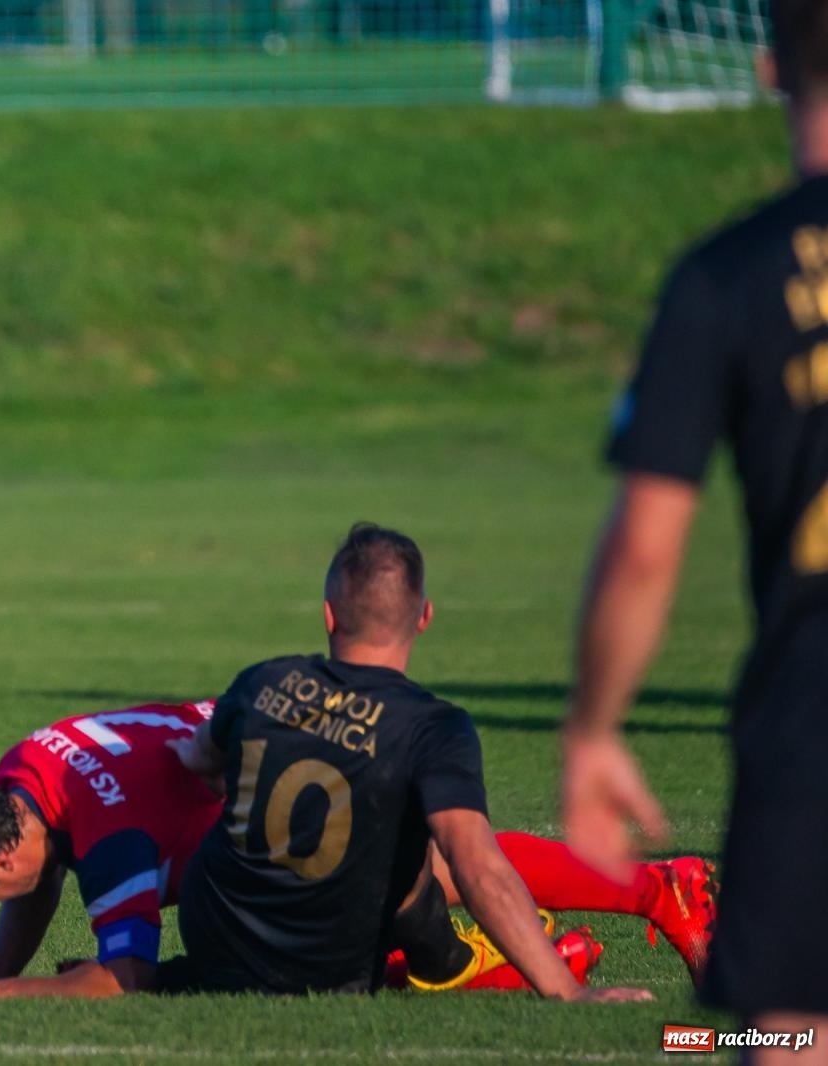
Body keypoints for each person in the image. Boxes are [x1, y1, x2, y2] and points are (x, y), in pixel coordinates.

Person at [0, 531, 705, 999]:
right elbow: (37, 882)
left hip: (267, 780)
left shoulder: (113, 843)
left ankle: (626, 906)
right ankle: (599, 920)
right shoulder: (23, 774)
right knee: (419, 870)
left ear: (1, 857)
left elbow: (126, 977)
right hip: (250, 738)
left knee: (425, 873)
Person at [561, 2, 828, 1058]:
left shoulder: (725, 275)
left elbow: (645, 545)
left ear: (767, 68)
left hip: (810, 716)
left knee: (794, 1031)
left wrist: (592, 729)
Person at [171, 524, 649, 1001]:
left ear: (329, 615)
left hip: (214, 939)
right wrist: (567, 992)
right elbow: (476, 865)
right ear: (424, 617)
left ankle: (443, 959)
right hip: (328, 971)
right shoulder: (431, 727)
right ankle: (445, 959)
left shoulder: (263, 681)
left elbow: (198, 759)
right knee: (407, 828)